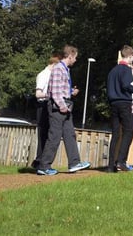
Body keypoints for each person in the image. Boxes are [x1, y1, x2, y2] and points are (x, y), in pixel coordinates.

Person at [37, 44, 90, 176]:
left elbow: (60, 89)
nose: (76, 60)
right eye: (75, 57)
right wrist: (62, 105)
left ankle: (74, 163)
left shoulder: (65, 70)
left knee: (69, 134)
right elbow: (55, 92)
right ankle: (44, 166)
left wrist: (71, 92)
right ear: (70, 56)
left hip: (65, 106)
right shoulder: (58, 69)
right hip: (58, 107)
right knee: (54, 136)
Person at [106, 45, 133, 172]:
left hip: (113, 104)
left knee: (115, 135)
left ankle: (110, 166)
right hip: (124, 103)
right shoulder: (126, 70)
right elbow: (126, 85)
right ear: (130, 56)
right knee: (128, 132)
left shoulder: (113, 71)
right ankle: (121, 161)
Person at [31, 51, 62, 169]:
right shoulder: (43, 75)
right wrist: (49, 94)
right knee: (43, 134)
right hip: (43, 106)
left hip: (49, 105)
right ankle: (39, 160)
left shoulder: (52, 75)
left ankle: (41, 160)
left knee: (49, 134)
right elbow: (38, 93)